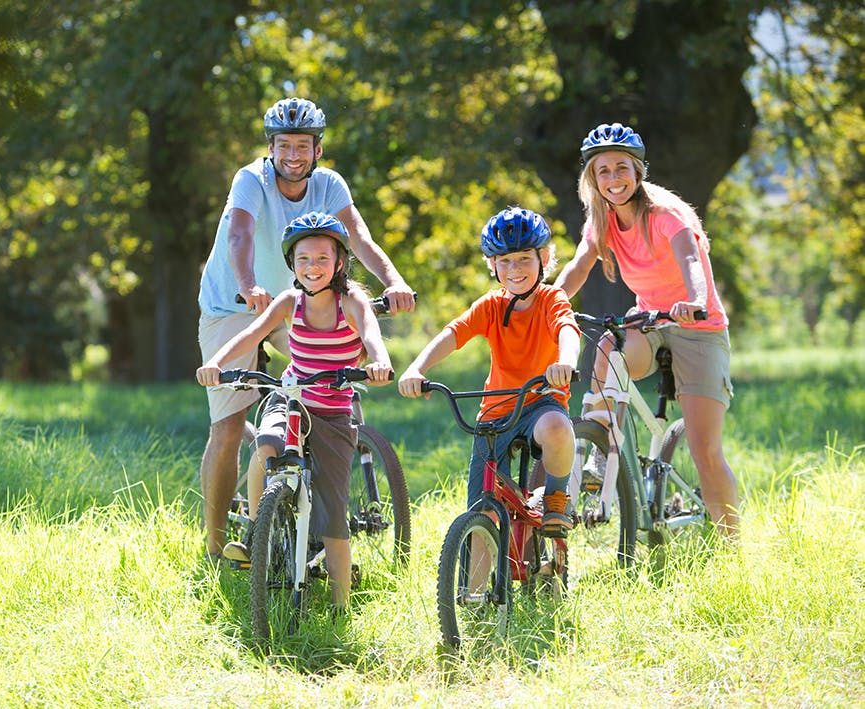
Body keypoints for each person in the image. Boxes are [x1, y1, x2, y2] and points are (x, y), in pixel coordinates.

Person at [197, 97, 414, 561]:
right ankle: (218, 547)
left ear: (317, 149)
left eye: (303, 145)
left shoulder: (329, 185)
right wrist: (248, 284)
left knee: (334, 374)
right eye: (283, 145)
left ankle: (314, 495)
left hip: (302, 301)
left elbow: (358, 237)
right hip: (236, 303)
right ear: (270, 147)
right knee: (231, 424)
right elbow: (239, 235)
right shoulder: (251, 180)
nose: (293, 154)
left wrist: (393, 281)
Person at [197, 211, 394, 608]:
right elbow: (252, 334)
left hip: (333, 413)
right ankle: (258, 536)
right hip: (291, 399)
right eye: (303, 259)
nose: (313, 267)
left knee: (333, 514)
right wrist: (216, 362)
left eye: (322, 258)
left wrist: (378, 360)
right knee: (265, 450)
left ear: (339, 262)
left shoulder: (351, 301)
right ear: (292, 264)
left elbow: (371, 335)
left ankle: (340, 605)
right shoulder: (289, 301)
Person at [554, 121, 739, 536]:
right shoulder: (601, 222)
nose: (614, 178)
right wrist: (545, 302)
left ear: (638, 172)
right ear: (593, 179)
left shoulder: (664, 214)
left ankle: (733, 548)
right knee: (609, 346)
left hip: (697, 325)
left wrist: (695, 300)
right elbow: (578, 266)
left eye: (622, 168)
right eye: (604, 171)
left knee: (705, 449)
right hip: (651, 322)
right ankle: (601, 449)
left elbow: (690, 259)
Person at [398, 207, 580, 535]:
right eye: (505, 261)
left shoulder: (551, 298)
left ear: (544, 257)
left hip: (540, 402)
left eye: (524, 258)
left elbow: (567, 328)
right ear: (492, 265)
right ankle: (474, 587)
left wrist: (566, 361)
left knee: (557, 426)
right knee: (482, 514)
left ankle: (555, 496)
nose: (515, 269)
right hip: (495, 412)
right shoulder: (491, 306)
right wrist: (416, 368)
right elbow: (453, 334)